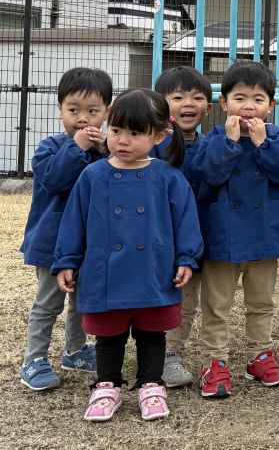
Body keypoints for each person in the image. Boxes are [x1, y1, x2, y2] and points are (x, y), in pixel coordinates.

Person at [52, 89, 202, 422]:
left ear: (159, 135)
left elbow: (186, 223)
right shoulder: (92, 176)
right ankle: (106, 384)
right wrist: (66, 261)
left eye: (135, 133)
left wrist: (186, 258)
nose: (123, 140)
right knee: (108, 333)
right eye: (117, 130)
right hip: (105, 270)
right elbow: (73, 222)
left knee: (152, 333)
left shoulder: (168, 177)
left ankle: (151, 384)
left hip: (153, 269)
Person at [190, 61, 279, 398]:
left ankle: (259, 355)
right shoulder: (214, 137)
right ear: (223, 103)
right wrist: (231, 141)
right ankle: (216, 361)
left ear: (272, 105)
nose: (248, 106)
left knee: (261, 302)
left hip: (264, 237)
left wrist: (263, 143)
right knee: (217, 304)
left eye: (257, 99)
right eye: (240, 98)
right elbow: (207, 174)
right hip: (222, 235)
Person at [20, 67, 112, 391]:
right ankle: (34, 359)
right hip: (51, 243)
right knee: (49, 302)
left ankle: (74, 350)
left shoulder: (107, 153)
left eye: (93, 111)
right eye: (73, 110)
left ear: (107, 113)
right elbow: (55, 179)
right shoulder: (49, 147)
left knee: (82, 300)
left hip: (90, 243)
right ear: (60, 109)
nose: (83, 119)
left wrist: (103, 151)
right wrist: (77, 147)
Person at [152, 65, 213, 388]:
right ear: (162, 104)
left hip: (194, 242)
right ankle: (151, 352)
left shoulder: (209, 145)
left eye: (197, 97)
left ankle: (171, 354)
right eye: (178, 97)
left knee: (186, 302)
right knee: (154, 299)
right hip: (157, 239)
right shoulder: (153, 146)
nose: (188, 103)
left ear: (209, 105)